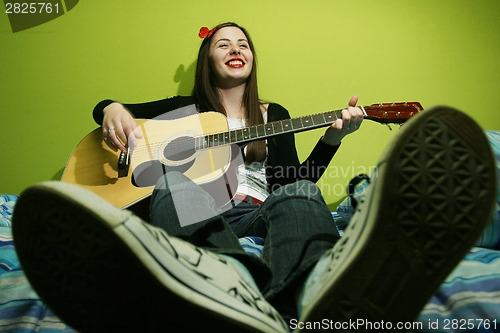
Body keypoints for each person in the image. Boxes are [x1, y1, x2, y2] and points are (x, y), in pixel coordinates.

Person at [12, 22, 497, 332]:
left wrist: (331, 141)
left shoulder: (274, 114)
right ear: (209, 59)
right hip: (204, 211)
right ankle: (231, 281)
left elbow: (292, 181)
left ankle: (308, 294)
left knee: (304, 192)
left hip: (258, 211)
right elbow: (109, 111)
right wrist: (111, 109)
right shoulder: (181, 111)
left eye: (243, 43)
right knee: (174, 184)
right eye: (223, 43)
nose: (235, 48)